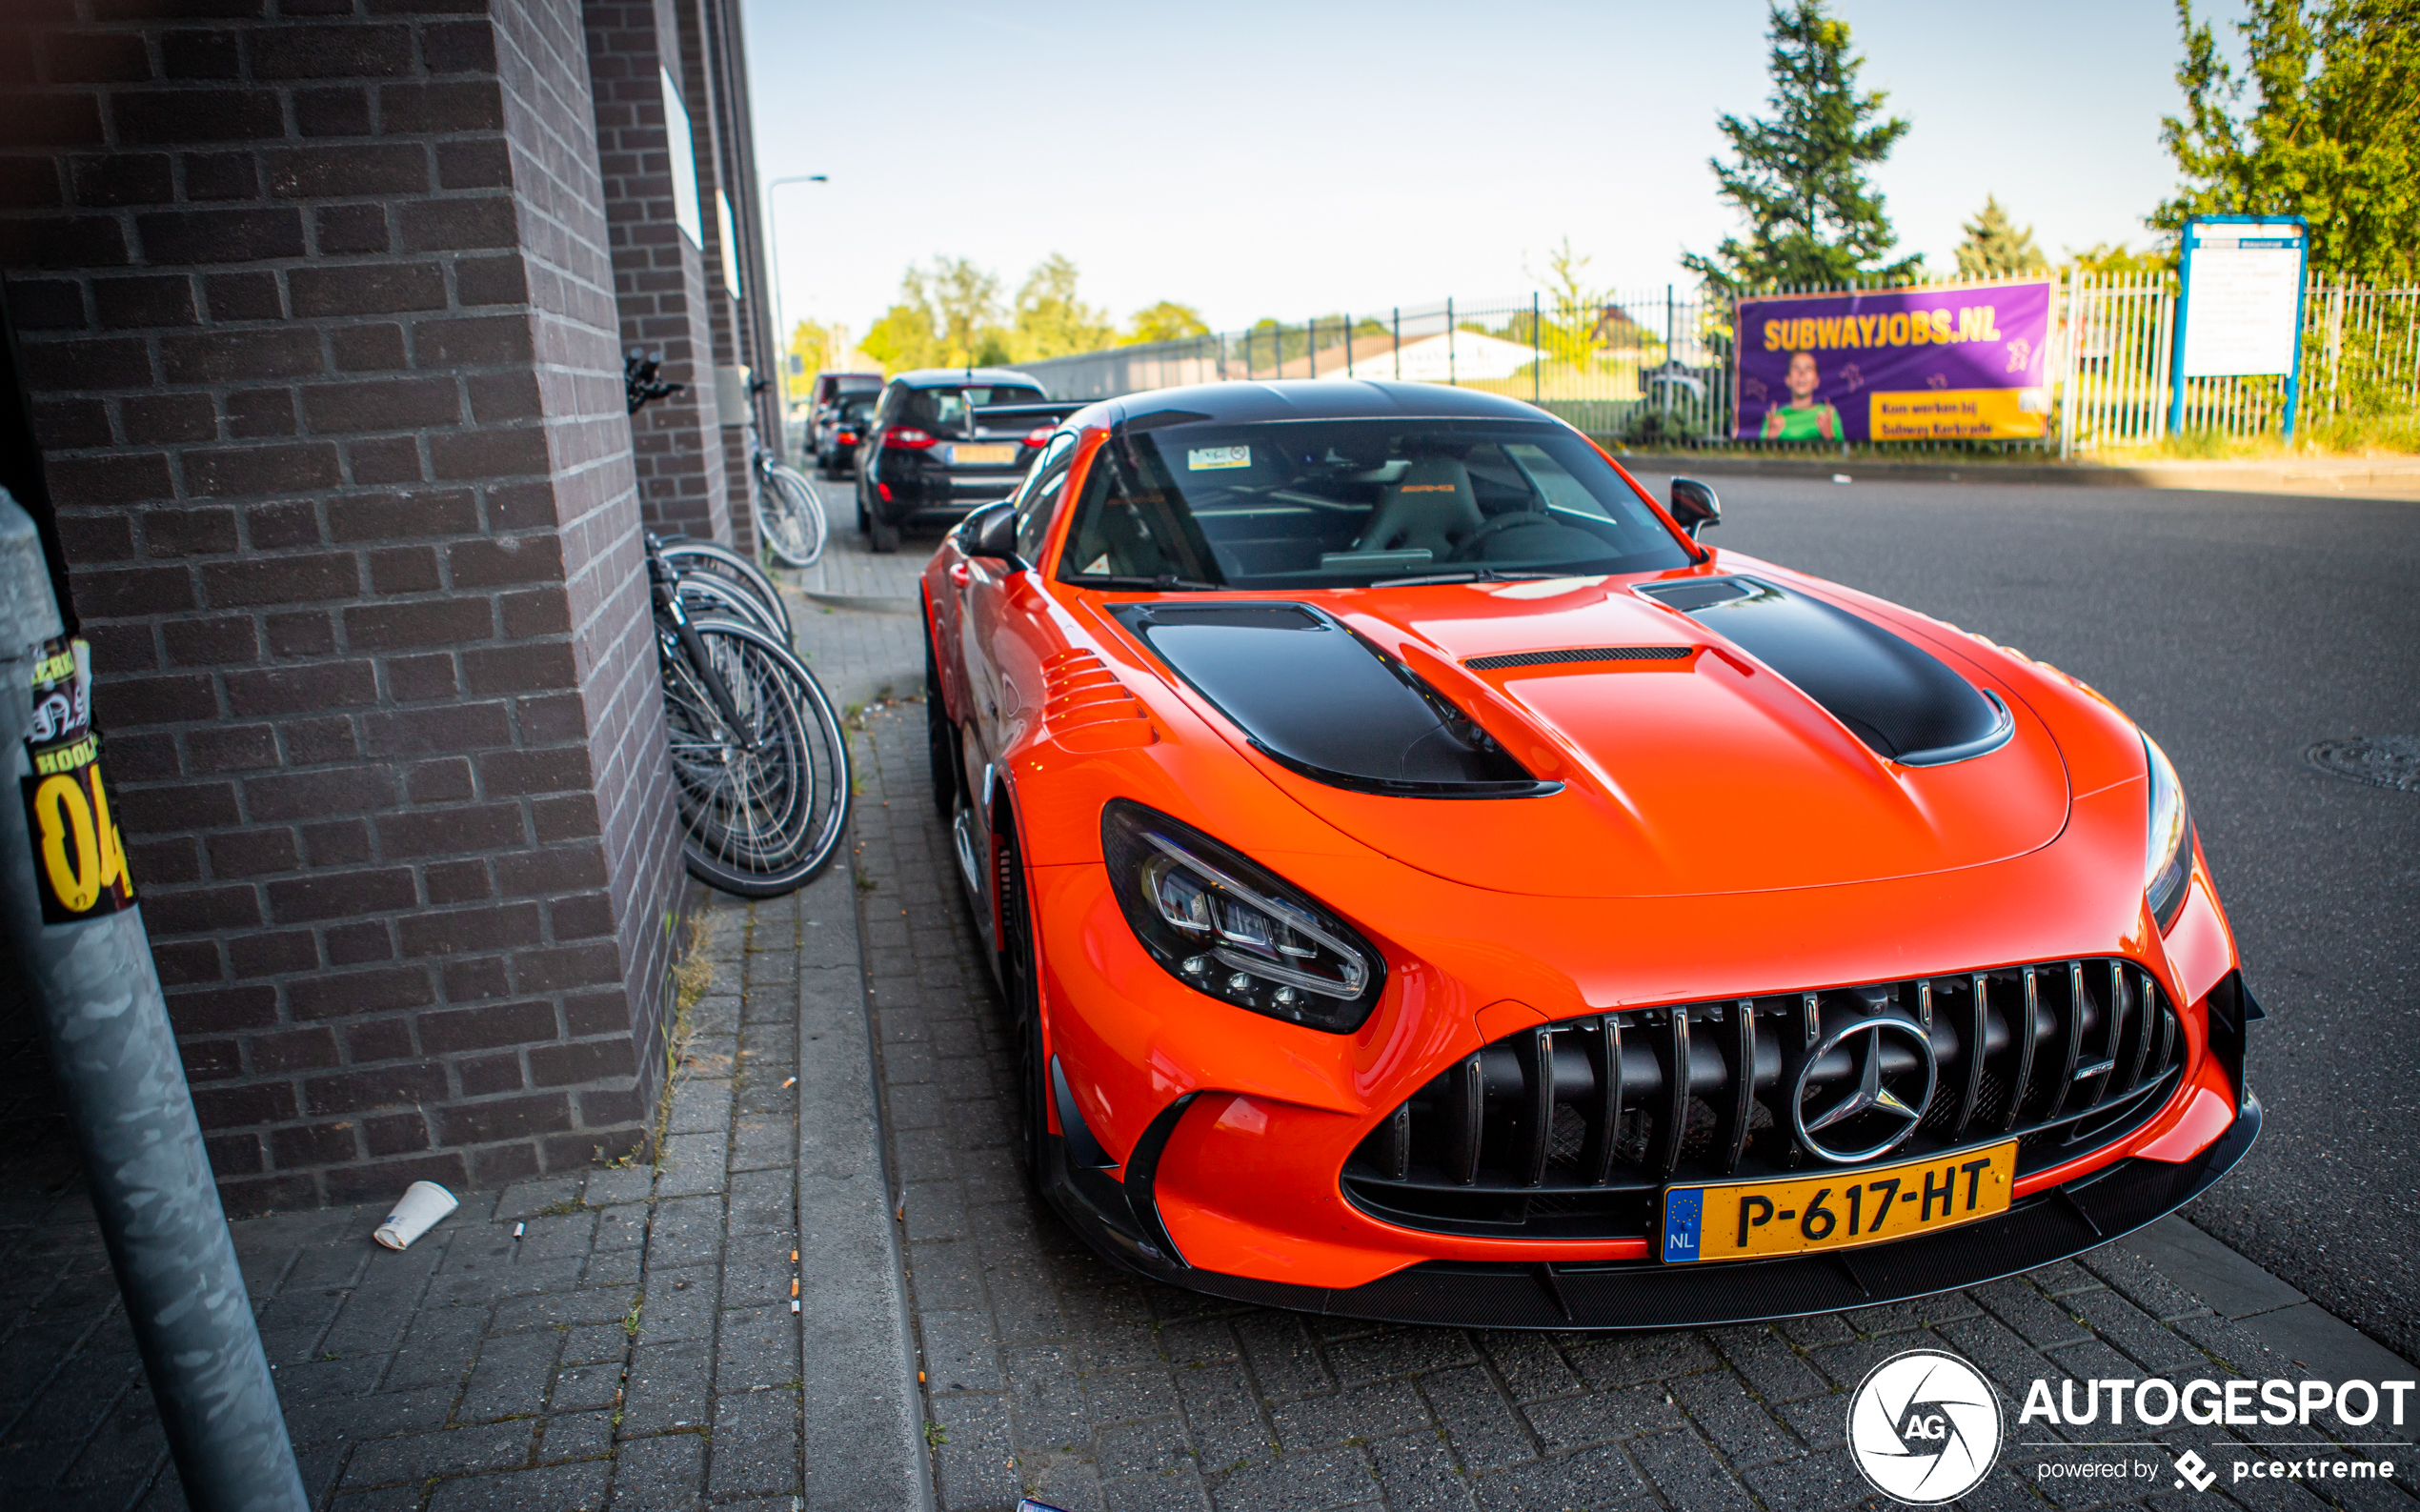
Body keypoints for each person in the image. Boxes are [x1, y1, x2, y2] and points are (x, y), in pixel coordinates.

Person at [1760, 350, 1843, 441]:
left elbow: (1844, 453)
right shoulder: (1774, 417)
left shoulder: (1828, 414)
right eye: (1796, 368)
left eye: (1808, 368)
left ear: (1816, 381)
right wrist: (1770, 437)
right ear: (1787, 379)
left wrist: (1829, 436)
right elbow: (1757, 453)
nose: (1802, 373)